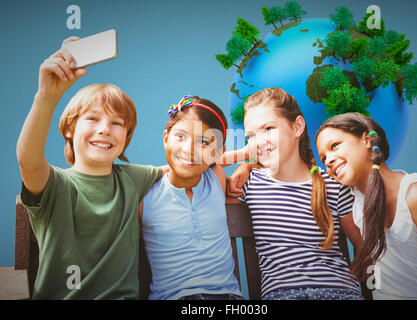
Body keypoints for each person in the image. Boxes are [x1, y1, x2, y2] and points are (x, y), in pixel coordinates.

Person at [16, 37, 163, 299]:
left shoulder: (133, 178)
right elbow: (28, 160)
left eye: (117, 123)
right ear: (70, 129)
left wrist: (247, 159)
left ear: (126, 136)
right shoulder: (55, 186)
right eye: (92, 118)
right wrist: (47, 97)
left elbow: (185, 165)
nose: (105, 129)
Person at [224, 87, 363, 300]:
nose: (260, 140)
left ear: (297, 127)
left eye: (268, 128)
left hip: (339, 293)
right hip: (283, 294)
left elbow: (365, 248)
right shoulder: (250, 183)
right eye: (251, 135)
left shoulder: (332, 185)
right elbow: (195, 162)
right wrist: (245, 157)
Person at [315, 112, 417, 299]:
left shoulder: (415, 196)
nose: (328, 161)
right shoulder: (357, 207)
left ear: (367, 140)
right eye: (323, 158)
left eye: (335, 145)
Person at [140, 95, 243, 300]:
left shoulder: (216, 178)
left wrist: (247, 164)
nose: (189, 149)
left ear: (217, 152)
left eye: (203, 142)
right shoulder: (144, 195)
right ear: (165, 137)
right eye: (181, 136)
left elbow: (259, 154)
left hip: (228, 298)